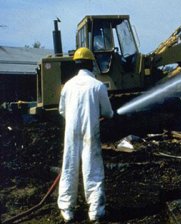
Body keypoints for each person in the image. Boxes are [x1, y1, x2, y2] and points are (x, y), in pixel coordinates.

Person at [57, 47, 114, 223]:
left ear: (76, 64)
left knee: (69, 167)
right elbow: (108, 112)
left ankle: (67, 210)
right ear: (91, 64)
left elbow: (61, 110)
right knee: (93, 169)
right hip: (91, 132)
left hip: (71, 132)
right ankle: (95, 211)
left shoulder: (67, 86)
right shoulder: (98, 86)